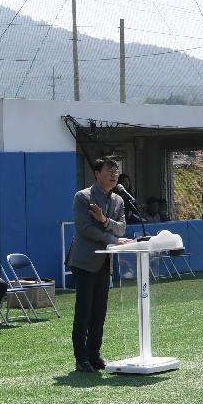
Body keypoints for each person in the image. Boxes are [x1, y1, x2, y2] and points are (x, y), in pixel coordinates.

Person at [67, 157, 133, 374]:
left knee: (100, 312)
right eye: (109, 170)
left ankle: (94, 355)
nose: (114, 174)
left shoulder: (119, 200)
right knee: (84, 311)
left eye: (116, 170)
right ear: (97, 173)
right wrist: (111, 238)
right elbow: (85, 228)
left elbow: (122, 229)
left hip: (105, 263)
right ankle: (81, 358)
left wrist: (105, 220)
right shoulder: (83, 197)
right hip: (85, 260)